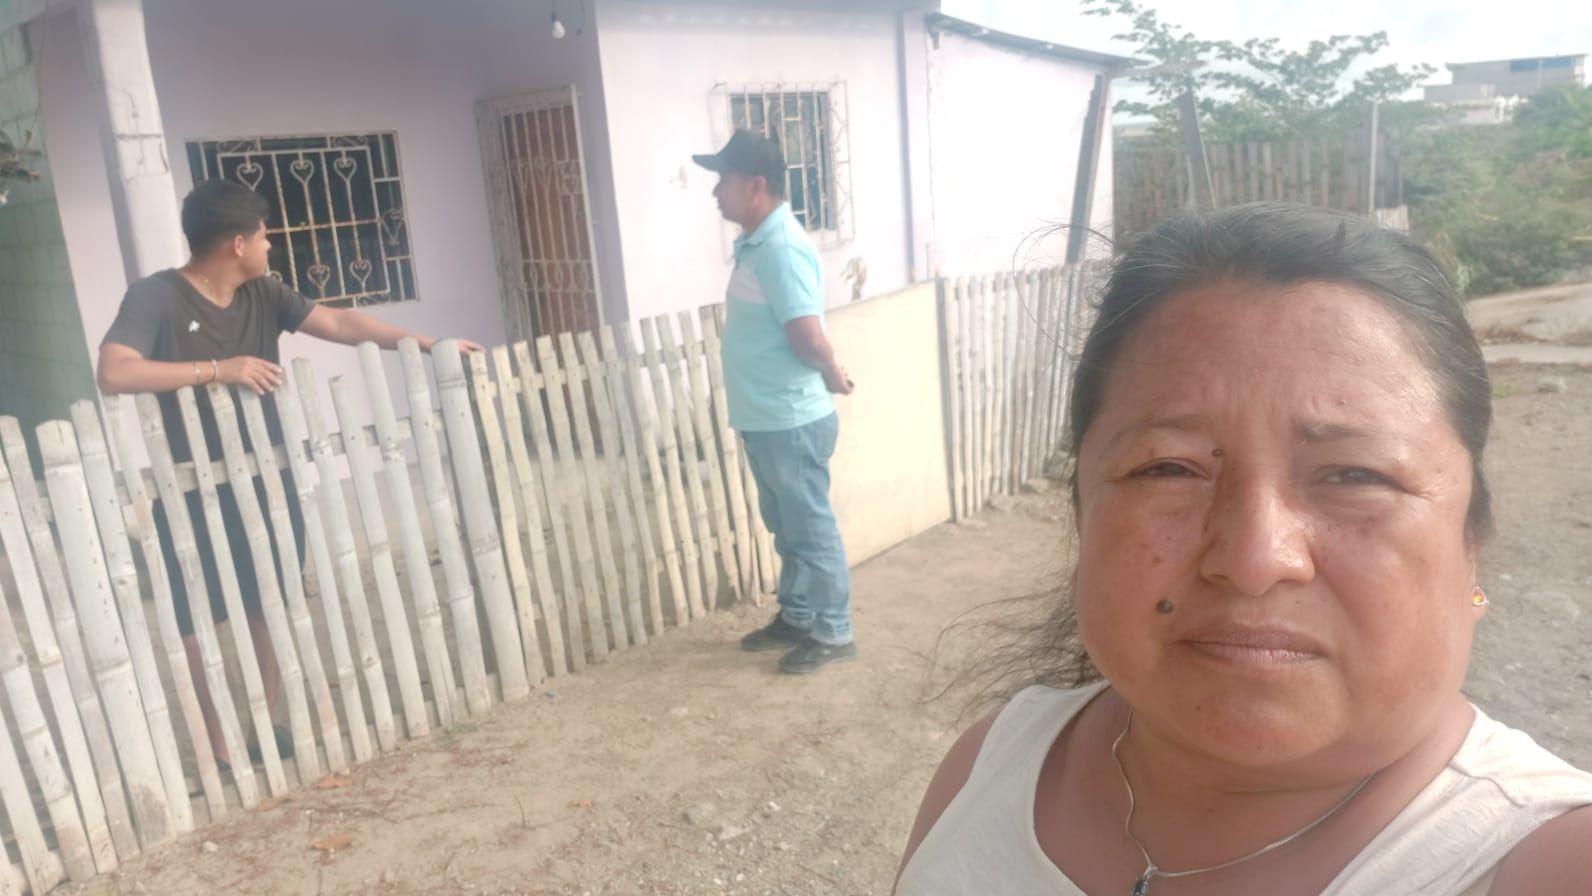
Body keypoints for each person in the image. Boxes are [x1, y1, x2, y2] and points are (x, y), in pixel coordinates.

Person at [895, 203, 1592, 894]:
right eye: (1169, 469)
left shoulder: (1552, 863)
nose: (1255, 560)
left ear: (1472, 544)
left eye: (1355, 476)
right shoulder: (996, 762)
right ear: (1083, 517)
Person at [98, 180, 482, 770]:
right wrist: (217, 369)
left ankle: (259, 723)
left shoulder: (265, 293)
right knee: (194, 619)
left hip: (266, 477)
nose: (270, 245)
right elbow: (115, 372)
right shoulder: (156, 296)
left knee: (270, 599)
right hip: (191, 485)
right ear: (237, 243)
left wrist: (431, 344)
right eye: (264, 236)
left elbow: (339, 323)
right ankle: (220, 745)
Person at [691, 129, 858, 675]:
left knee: (809, 529)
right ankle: (798, 615)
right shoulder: (757, 244)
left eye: (724, 180)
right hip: (765, 418)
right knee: (787, 529)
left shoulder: (782, 249)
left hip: (790, 420)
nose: (716, 192)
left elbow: (807, 336)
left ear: (755, 186)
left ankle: (834, 631)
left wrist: (832, 372)